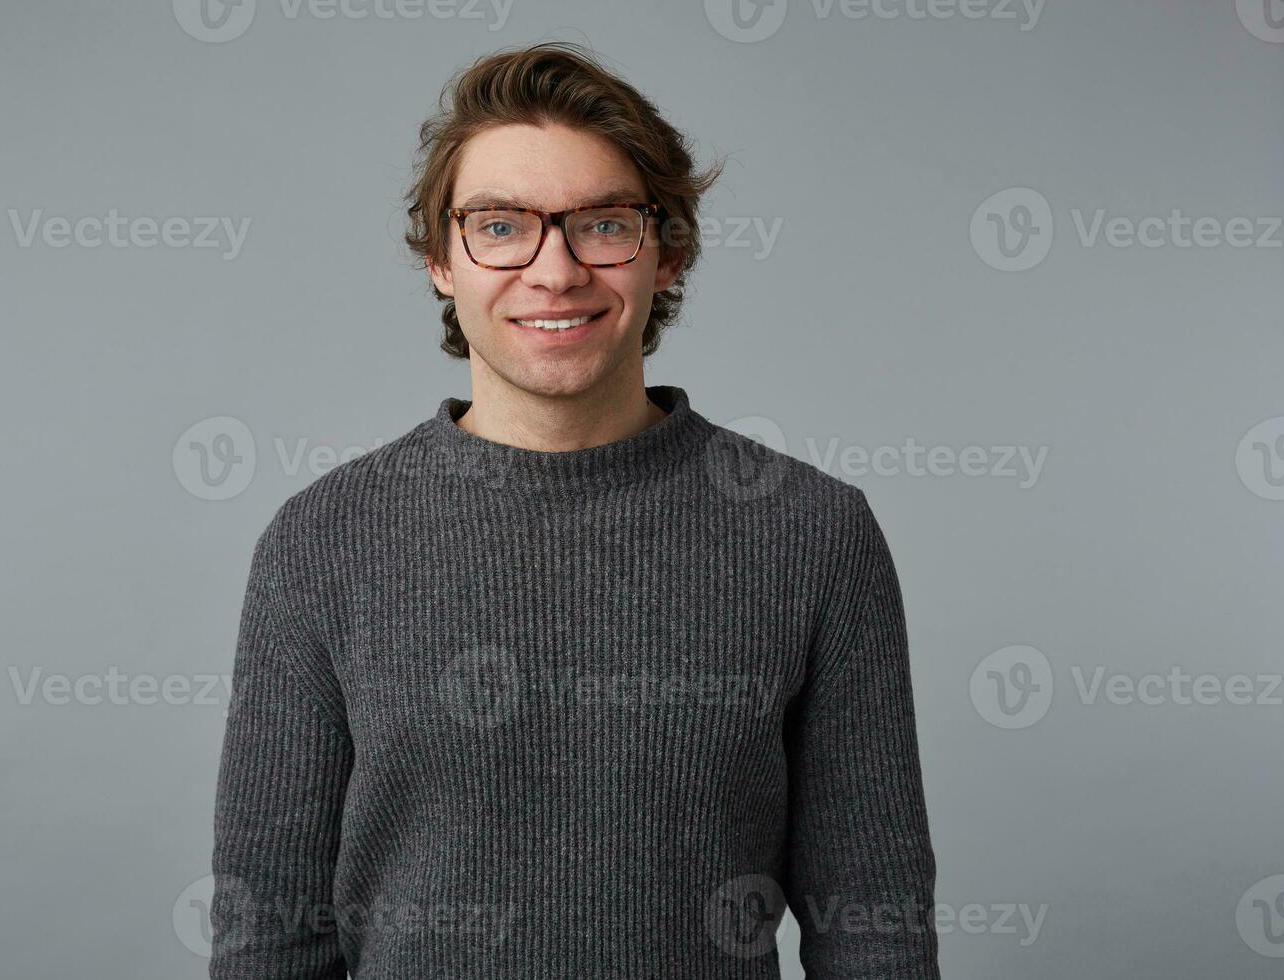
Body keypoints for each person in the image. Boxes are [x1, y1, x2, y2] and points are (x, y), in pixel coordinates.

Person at [209, 40, 940, 979]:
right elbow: (269, 936)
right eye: (502, 226)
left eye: (601, 224)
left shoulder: (813, 533)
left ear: (666, 251)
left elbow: (873, 927)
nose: (554, 272)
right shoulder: (321, 541)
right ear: (441, 259)